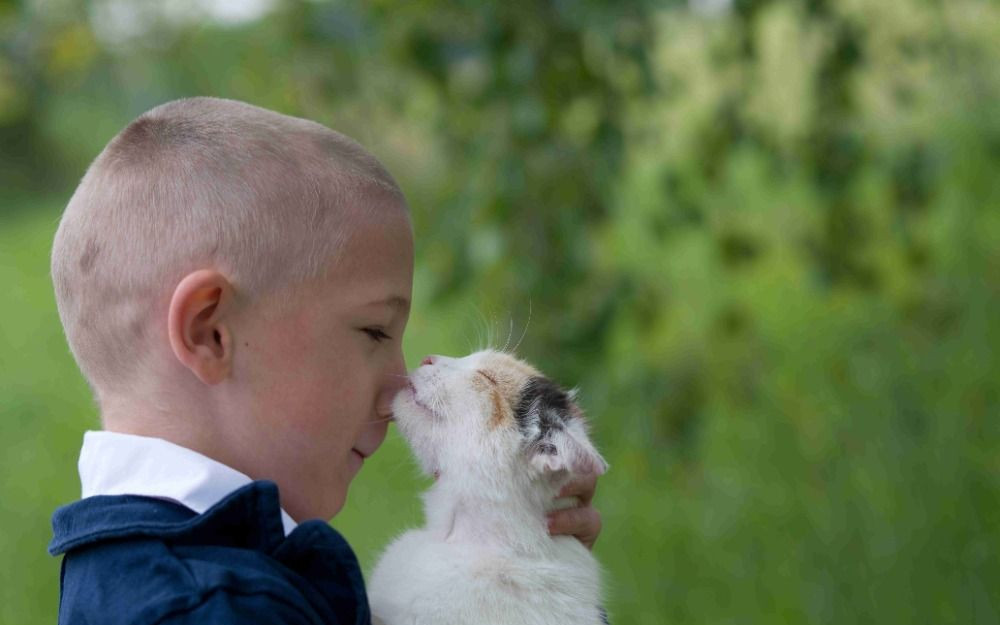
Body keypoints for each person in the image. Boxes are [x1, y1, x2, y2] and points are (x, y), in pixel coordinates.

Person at [48, 97, 603, 624]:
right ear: (210, 331)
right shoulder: (210, 608)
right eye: (373, 331)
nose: (396, 387)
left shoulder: (169, 564)